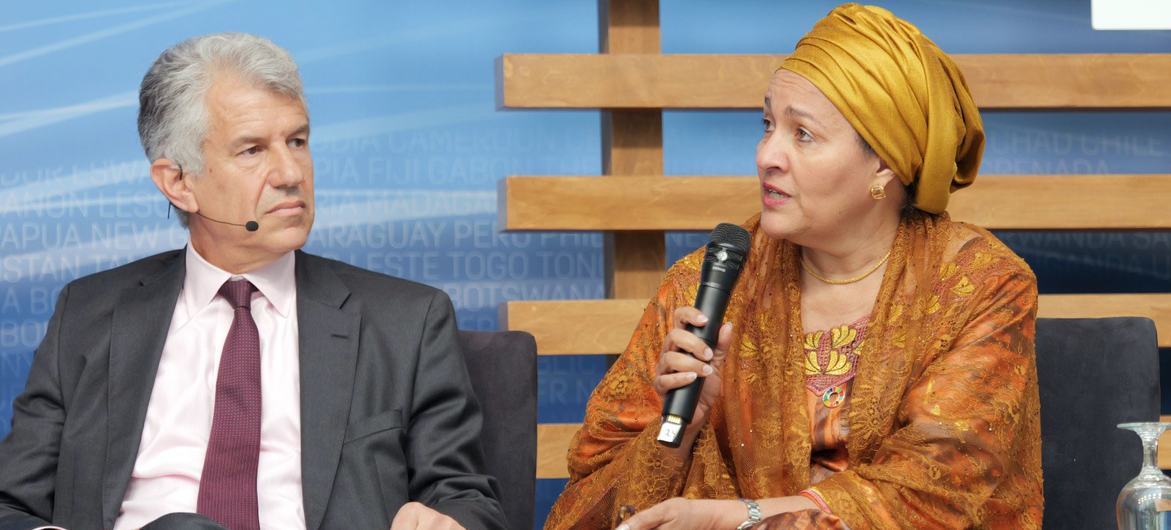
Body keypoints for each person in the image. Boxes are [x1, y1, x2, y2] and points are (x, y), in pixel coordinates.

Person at [545, 4, 1043, 529]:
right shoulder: (705, 285)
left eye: (801, 134)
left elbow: (931, 489)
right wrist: (679, 430)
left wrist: (738, 518)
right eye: (767, 125)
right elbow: (586, 501)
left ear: (885, 163)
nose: (767, 155)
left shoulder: (980, 285)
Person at [0, 33, 506, 530]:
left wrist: (446, 521)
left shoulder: (407, 321)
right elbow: (10, 503)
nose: (290, 172)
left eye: (298, 141)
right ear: (178, 182)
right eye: (252, 150)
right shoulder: (88, 315)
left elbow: (467, 499)